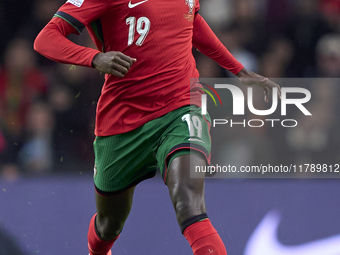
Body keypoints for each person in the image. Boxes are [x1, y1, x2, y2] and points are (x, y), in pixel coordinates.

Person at [34, 0, 280, 254]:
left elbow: (190, 20)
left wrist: (238, 70)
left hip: (181, 107)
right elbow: (45, 38)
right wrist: (95, 58)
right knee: (109, 224)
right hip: (123, 122)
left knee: (188, 202)